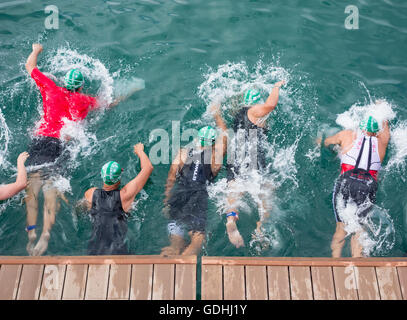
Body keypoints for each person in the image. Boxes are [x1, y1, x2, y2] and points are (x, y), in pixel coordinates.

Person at [24, 43, 133, 256]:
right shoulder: (84, 100)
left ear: (64, 83)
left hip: (40, 140)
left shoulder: (51, 88)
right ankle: (46, 234)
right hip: (59, 145)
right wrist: (127, 93)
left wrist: (36, 50)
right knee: (51, 188)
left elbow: (30, 66)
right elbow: (107, 104)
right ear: (81, 87)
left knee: (32, 188)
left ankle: (31, 234)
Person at [161, 104, 227, 256]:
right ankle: (182, 266)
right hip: (198, 197)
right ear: (212, 144)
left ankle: (173, 251)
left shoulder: (183, 153)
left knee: (176, 240)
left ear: (198, 140)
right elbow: (225, 134)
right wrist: (217, 114)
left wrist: (166, 200)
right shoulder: (215, 158)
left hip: (179, 194)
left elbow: (171, 178)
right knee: (198, 241)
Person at [225, 81, 285, 248]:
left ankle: (231, 218)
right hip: (251, 153)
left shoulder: (238, 114)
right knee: (267, 189)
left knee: (234, 186)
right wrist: (276, 87)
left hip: (234, 153)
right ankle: (260, 227)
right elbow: (271, 105)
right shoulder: (254, 111)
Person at [323, 114, 390, 257]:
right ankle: (357, 262)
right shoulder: (382, 142)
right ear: (375, 132)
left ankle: (336, 261)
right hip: (367, 184)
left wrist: (325, 144)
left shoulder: (347, 134)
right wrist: (382, 112)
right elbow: (386, 128)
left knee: (341, 228)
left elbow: (327, 142)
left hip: (347, 181)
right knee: (359, 228)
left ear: (360, 128)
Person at [84, 143, 153, 255]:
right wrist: (140, 151)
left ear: (102, 176)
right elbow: (148, 168)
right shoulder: (124, 195)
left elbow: (84, 208)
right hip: (118, 248)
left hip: (94, 247)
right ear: (119, 179)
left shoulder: (90, 193)